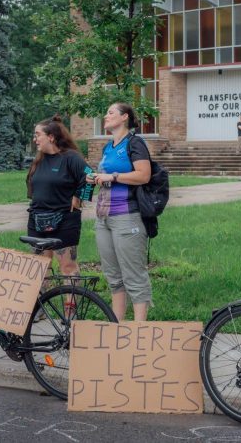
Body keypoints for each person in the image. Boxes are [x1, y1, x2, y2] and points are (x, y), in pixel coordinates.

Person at [91, 103, 152, 321]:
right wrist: (97, 177)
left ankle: (138, 331)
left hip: (127, 216)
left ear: (124, 117)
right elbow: (106, 177)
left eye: (110, 113)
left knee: (134, 276)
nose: (105, 116)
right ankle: (117, 326)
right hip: (103, 217)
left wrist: (113, 176)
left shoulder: (135, 143)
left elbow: (144, 175)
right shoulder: (108, 146)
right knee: (113, 277)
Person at [26, 115, 93, 284]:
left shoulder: (70, 157)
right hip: (37, 220)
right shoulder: (39, 160)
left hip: (64, 221)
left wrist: (79, 198)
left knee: (67, 267)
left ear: (51, 137)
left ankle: (70, 311)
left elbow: (91, 176)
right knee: (39, 268)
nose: (35, 140)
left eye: (37, 135)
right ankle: (40, 310)